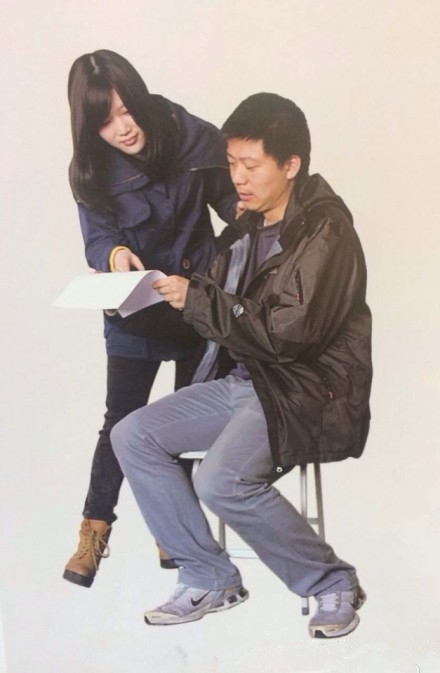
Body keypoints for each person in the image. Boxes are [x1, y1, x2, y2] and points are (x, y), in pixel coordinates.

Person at [111, 93, 372, 638]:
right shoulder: (246, 228)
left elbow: (288, 334)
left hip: (303, 390)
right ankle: (208, 575)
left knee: (220, 480)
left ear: (291, 165)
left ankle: (332, 582)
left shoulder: (325, 232)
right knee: (132, 434)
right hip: (246, 382)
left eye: (250, 165)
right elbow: (212, 302)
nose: (237, 179)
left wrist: (199, 300)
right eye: (231, 164)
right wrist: (134, 294)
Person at [63, 50, 239, 588]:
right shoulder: (89, 168)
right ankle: (93, 531)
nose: (123, 128)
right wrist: (115, 255)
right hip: (135, 311)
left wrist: (248, 237)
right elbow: (97, 237)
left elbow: (232, 202)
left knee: (184, 420)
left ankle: (172, 529)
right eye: (105, 120)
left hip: (196, 303)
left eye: (127, 110)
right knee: (120, 421)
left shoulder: (187, 133)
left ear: (141, 99)